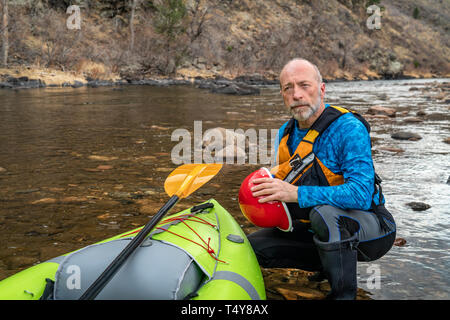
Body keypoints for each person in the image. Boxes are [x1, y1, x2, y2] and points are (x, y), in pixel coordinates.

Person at [245, 58, 397, 300]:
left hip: (372, 229)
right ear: (282, 95)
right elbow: (285, 189)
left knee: (325, 215)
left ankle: (343, 295)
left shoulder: (348, 128)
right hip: (316, 229)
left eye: (304, 85)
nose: (296, 94)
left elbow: (360, 194)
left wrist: (294, 193)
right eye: (288, 88)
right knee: (250, 247)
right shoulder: (285, 133)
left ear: (322, 89)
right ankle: (327, 268)